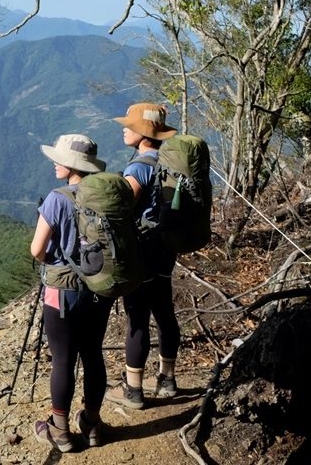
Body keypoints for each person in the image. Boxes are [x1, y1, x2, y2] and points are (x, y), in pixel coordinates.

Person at [31, 133, 115, 452]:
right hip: (100, 288)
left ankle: (60, 430)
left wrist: (55, 256)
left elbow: (37, 250)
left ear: (72, 165)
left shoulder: (58, 198)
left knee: (63, 360)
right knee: (93, 354)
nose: (55, 163)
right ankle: (92, 425)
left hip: (61, 291)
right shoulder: (106, 195)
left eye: (60, 159)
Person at [105, 103, 180, 410]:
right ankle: (166, 380)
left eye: (129, 125)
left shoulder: (138, 167)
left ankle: (133, 389)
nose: (124, 128)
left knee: (137, 318)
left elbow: (123, 211)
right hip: (165, 249)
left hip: (143, 252)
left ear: (142, 133)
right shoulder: (172, 162)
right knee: (164, 311)